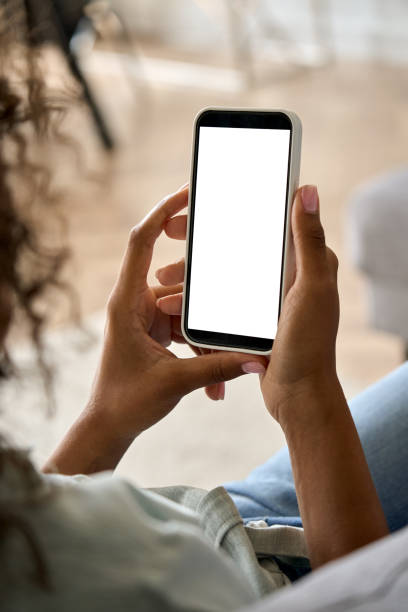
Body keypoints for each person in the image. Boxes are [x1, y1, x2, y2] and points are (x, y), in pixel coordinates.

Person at [2, 3, 408, 611]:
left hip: (222, 519)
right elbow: (354, 597)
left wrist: (105, 421)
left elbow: (27, 521)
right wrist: (307, 397)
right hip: (269, 570)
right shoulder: (154, 570)